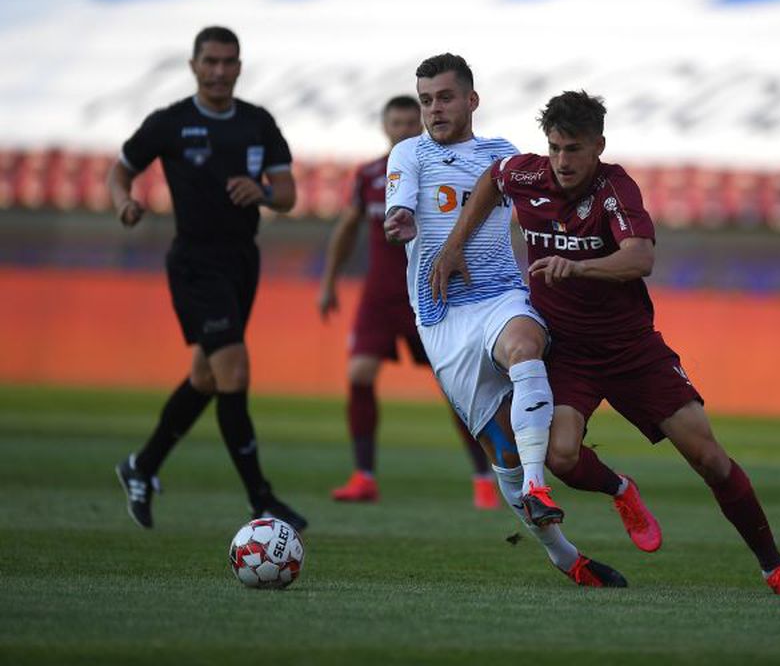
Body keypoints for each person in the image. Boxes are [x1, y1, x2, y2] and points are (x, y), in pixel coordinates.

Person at [431, 90, 780, 599]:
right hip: (568, 351)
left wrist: (578, 267)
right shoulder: (526, 174)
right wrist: (456, 242)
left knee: (708, 457)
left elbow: (640, 259)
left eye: (573, 149)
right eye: (554, 147)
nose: (561, 160)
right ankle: (622, 490)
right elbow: (491, 179)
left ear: (598, 145)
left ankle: (777, 570)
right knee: (562, 457)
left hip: (631, 350)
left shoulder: (615, 189)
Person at [383, 53, 625, 587]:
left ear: (471, 100)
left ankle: (539, 484)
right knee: (501, 450)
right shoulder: (409, 153)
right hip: (442, 315)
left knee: (524, 346)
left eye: (445, 97)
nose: (434, 109)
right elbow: (398, 207)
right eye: (426, 100)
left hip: (500, 296)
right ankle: (566, 557)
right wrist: (400, 221)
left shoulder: (503, 155)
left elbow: (542, 212)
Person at [109, 26, 307, 532]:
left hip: (243, 260)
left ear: (240, 67)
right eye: (210, 61)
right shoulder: (170, 122)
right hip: (196, 263)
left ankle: (143, 465)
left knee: (205, 377)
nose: (219, 71)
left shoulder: (258, 123)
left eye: (228, 62)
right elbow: (120, 171)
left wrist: (260, 191)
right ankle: (260, 498)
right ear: (193, 65)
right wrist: (124, 202)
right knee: (234, 374)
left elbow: (287, 195)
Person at [317, 95, 499, 509]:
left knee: (456, 389)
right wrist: (328, 282)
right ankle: (364, 476)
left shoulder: (437, 168)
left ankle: (484, 476)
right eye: (393, 122)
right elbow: (347, 229)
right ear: (384, 126)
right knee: (360, 373)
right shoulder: (367, 175)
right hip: (379, 296)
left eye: (406, 122)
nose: (400, 129)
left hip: (429, 292)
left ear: (417, 124)